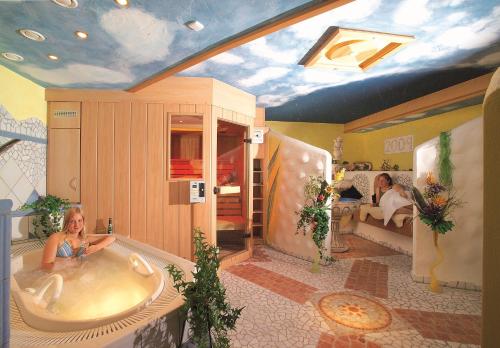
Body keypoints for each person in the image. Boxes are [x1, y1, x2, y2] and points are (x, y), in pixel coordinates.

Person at [41, 207, 116, 270]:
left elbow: (112, 237)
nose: (76, 225)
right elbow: (45, 266)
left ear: (83, 222)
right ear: (67, 223)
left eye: (80, 220)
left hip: (73, 277)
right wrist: (67, 264)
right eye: (72, 221)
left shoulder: (85, 239)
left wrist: (96, 247)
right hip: (53, 277)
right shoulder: (56, 238)